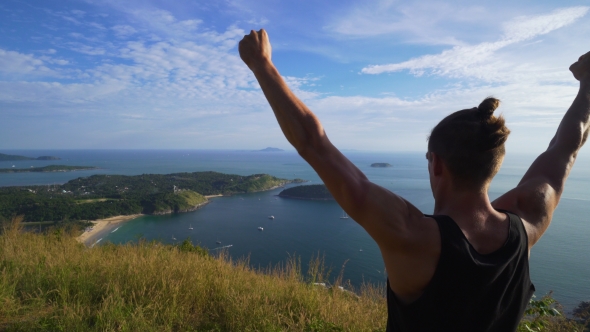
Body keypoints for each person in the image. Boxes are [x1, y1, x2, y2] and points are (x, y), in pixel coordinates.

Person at [238, 29, 590, 331]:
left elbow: (315, 145)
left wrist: (262, 65)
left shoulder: (414, 236)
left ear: (436, 164)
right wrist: (587, 84)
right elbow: (565, 150)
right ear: (494, 166)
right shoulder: (527, 224)